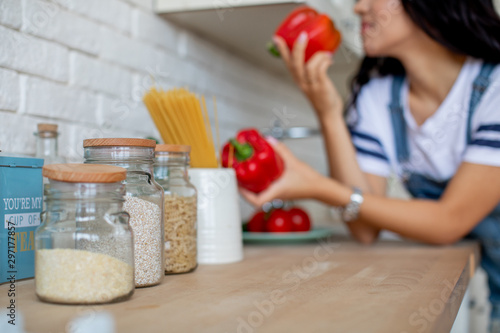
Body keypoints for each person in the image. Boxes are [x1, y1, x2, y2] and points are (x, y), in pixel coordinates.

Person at [240, 0, 500, 329]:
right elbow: (364, 229)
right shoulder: (380, 97)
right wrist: (328, 112)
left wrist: (320, 188)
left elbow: (448, 222)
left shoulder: (494, 88)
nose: (359, 7)